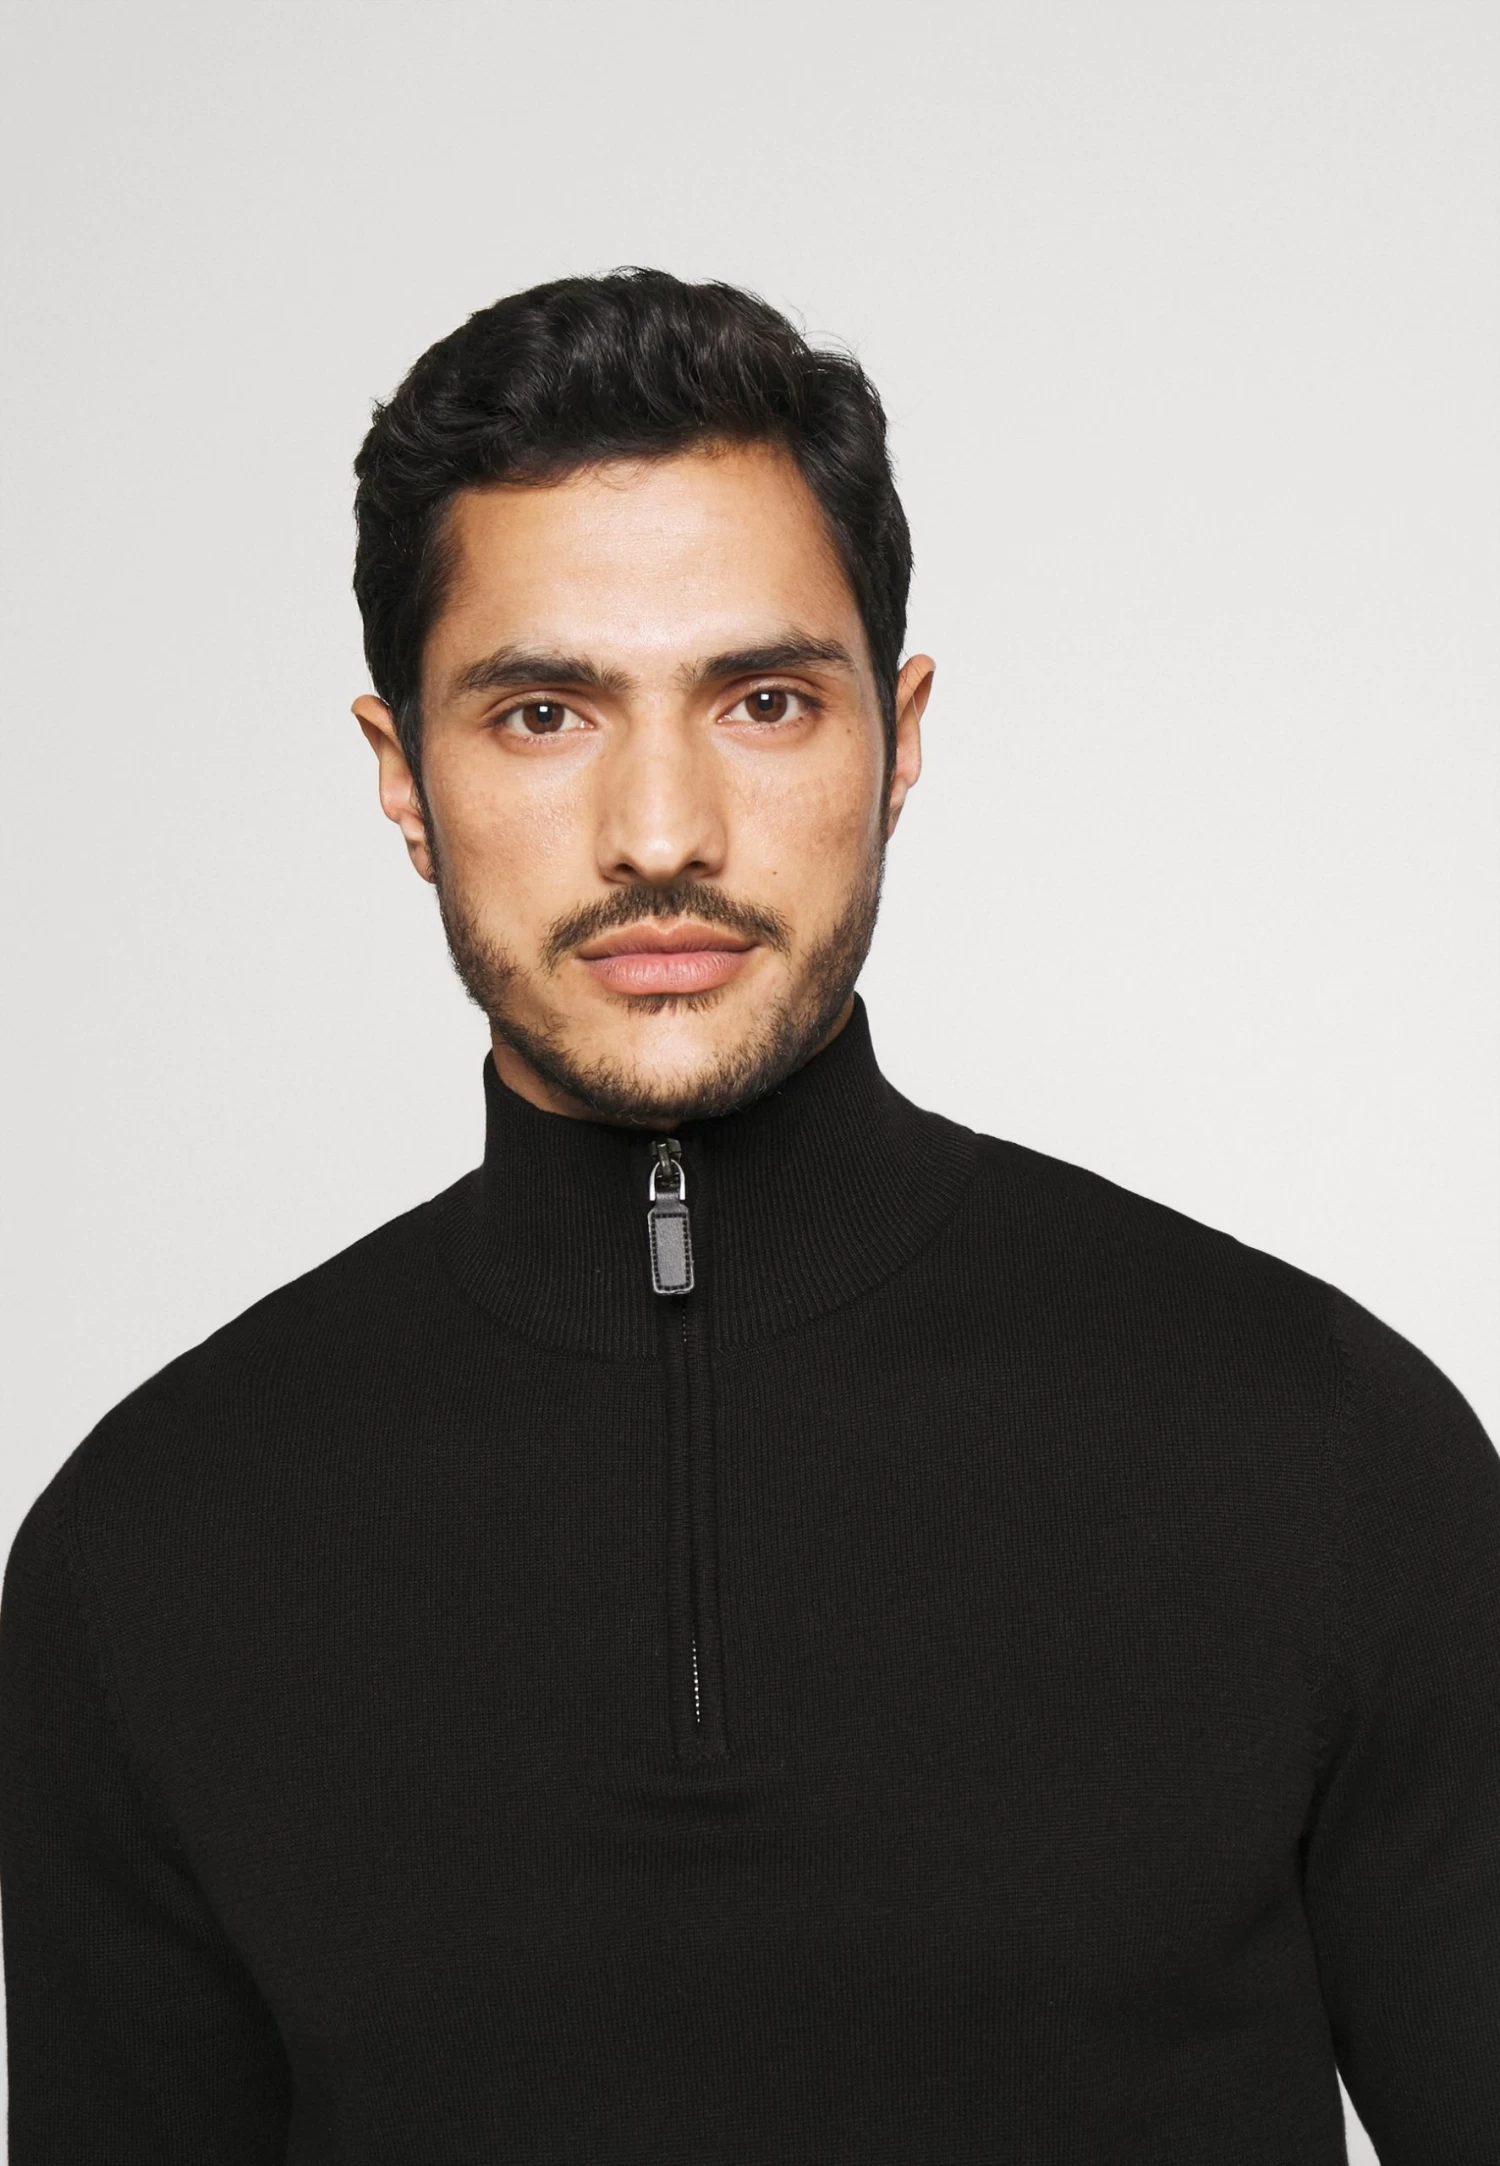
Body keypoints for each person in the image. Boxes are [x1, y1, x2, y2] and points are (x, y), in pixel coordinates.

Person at [1, 268, 1496, 2164]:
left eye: (765, 699)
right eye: (544, 711)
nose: (661, 830)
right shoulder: (147, 1556)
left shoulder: (1324, 1453)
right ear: (403, 773)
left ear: (900, 736)